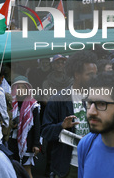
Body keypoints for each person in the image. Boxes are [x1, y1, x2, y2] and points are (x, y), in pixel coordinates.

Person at [41, 50, 97, 178]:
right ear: (77, 75)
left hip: (94, 164)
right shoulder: (57, 100)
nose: (94, 78)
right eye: (90, 74)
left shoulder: (98, 99)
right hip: (68, 166)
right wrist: (61, 126)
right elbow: (45, 131)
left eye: (95, 74)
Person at [8, 76, 40, 178]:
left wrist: (36, 144)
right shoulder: (10, 104)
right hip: (12, 140)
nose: (21, 90)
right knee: (12, 168)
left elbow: (37, 126)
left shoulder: (33, 105)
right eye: (18, 87)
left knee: (26, 169)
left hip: (27, 142)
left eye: (23, 87)